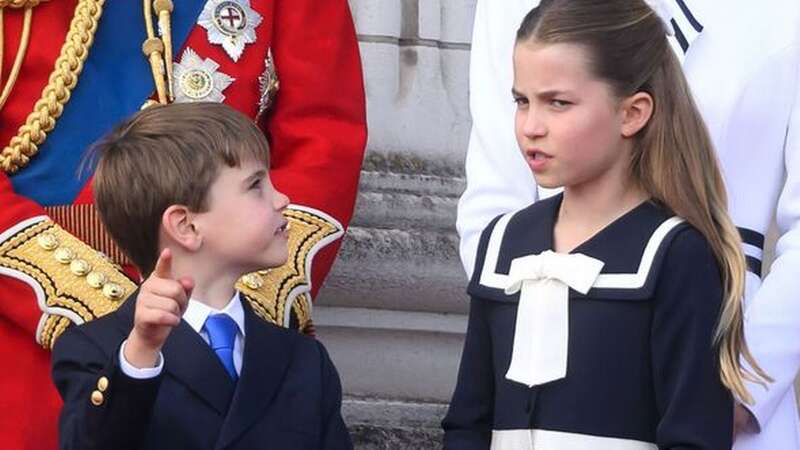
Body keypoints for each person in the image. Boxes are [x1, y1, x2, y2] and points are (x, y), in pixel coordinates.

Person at [0, 1, 366, 447]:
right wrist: (90, 296)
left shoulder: (304, 367)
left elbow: (323, 143)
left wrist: (225, 301)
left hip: (234, 305)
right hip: (24, 327)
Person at [456, 1, 800, 448]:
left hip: (730, 344)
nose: (533, 123)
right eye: (523, 102)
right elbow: (492, 196)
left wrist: (744, 387)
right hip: (537, 358)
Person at [51, 102, 351, 450]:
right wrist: (142, 353)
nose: (282, 198)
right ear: (186, 225)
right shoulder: (99, 349)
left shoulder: (304, 360)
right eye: (256, 185)